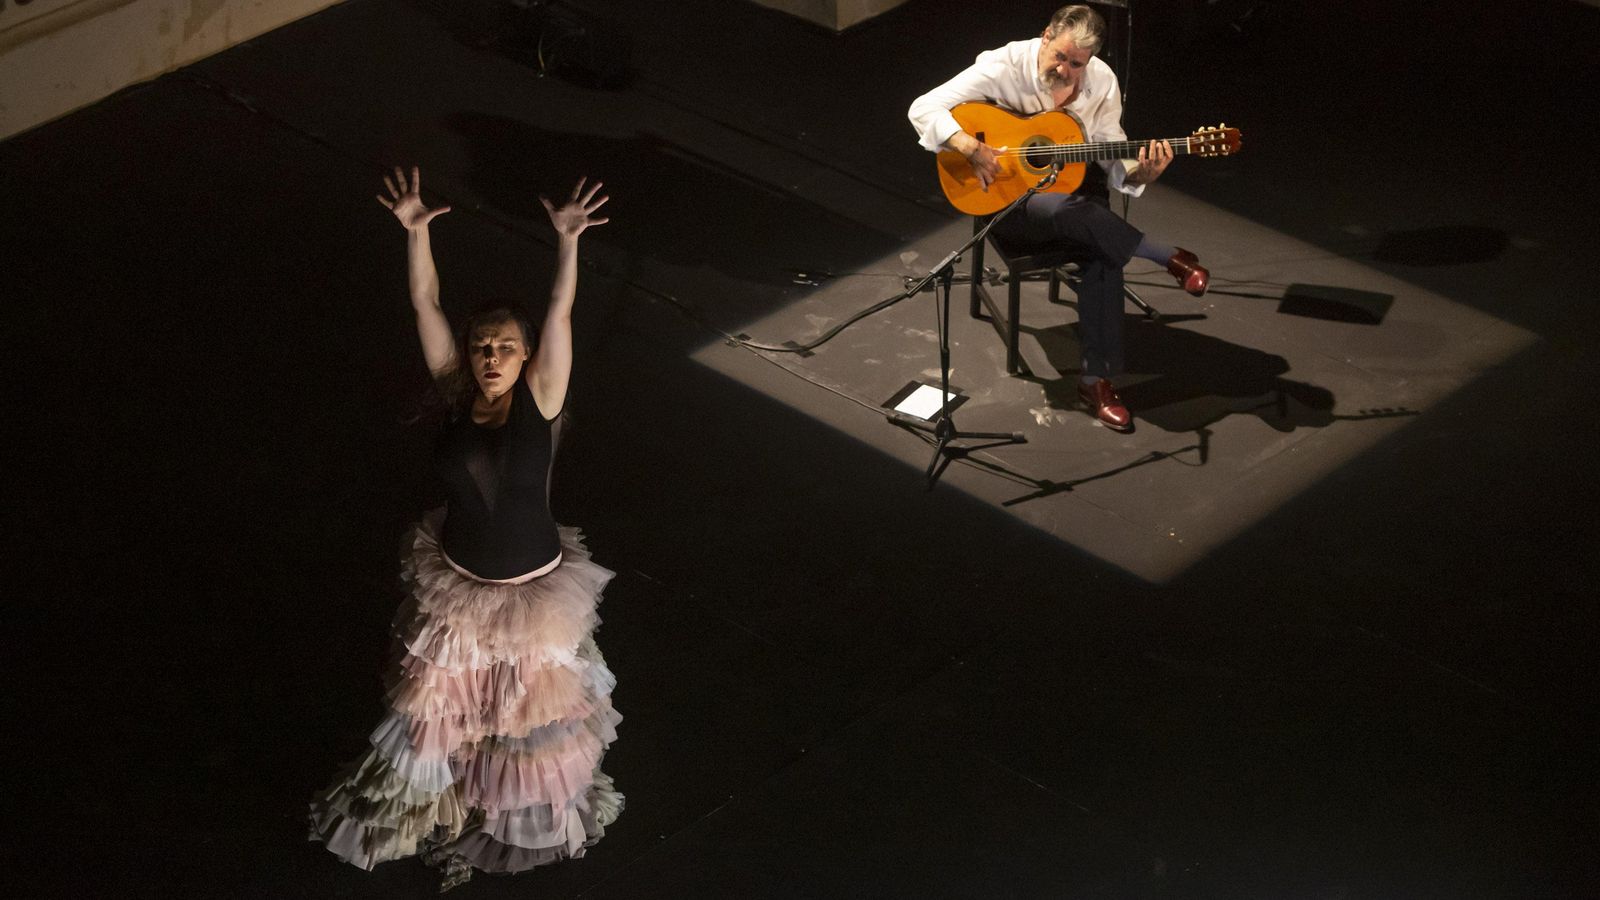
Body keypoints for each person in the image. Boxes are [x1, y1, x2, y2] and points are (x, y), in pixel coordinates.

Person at [309, 166, 620, 891]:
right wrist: (418, 232)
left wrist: (568, 242)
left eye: (504, 346)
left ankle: (501, 817)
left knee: (518, 726)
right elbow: (424, 300)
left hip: (533, 596)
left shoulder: (541, 399)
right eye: (482, 344)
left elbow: (560, 314)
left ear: (525, 355)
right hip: (458, 589)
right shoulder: (454, 392)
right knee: (437, 722)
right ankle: (425, 817)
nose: (489, 356)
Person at [908, 4, 1210, 433]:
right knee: (1066, 214)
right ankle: (1166, 255)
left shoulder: (1102, 81)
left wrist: (1142, 172)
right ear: (1046, 35)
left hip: (1076, 191)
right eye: (1061, 57)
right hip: (1009, 197)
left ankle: (1095, 380)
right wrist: (969, 146)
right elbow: (923, 107)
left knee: (1100, 245)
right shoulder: (1003, 65)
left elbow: (1112, 153)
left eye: (1078, 64)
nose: (1067, 71)